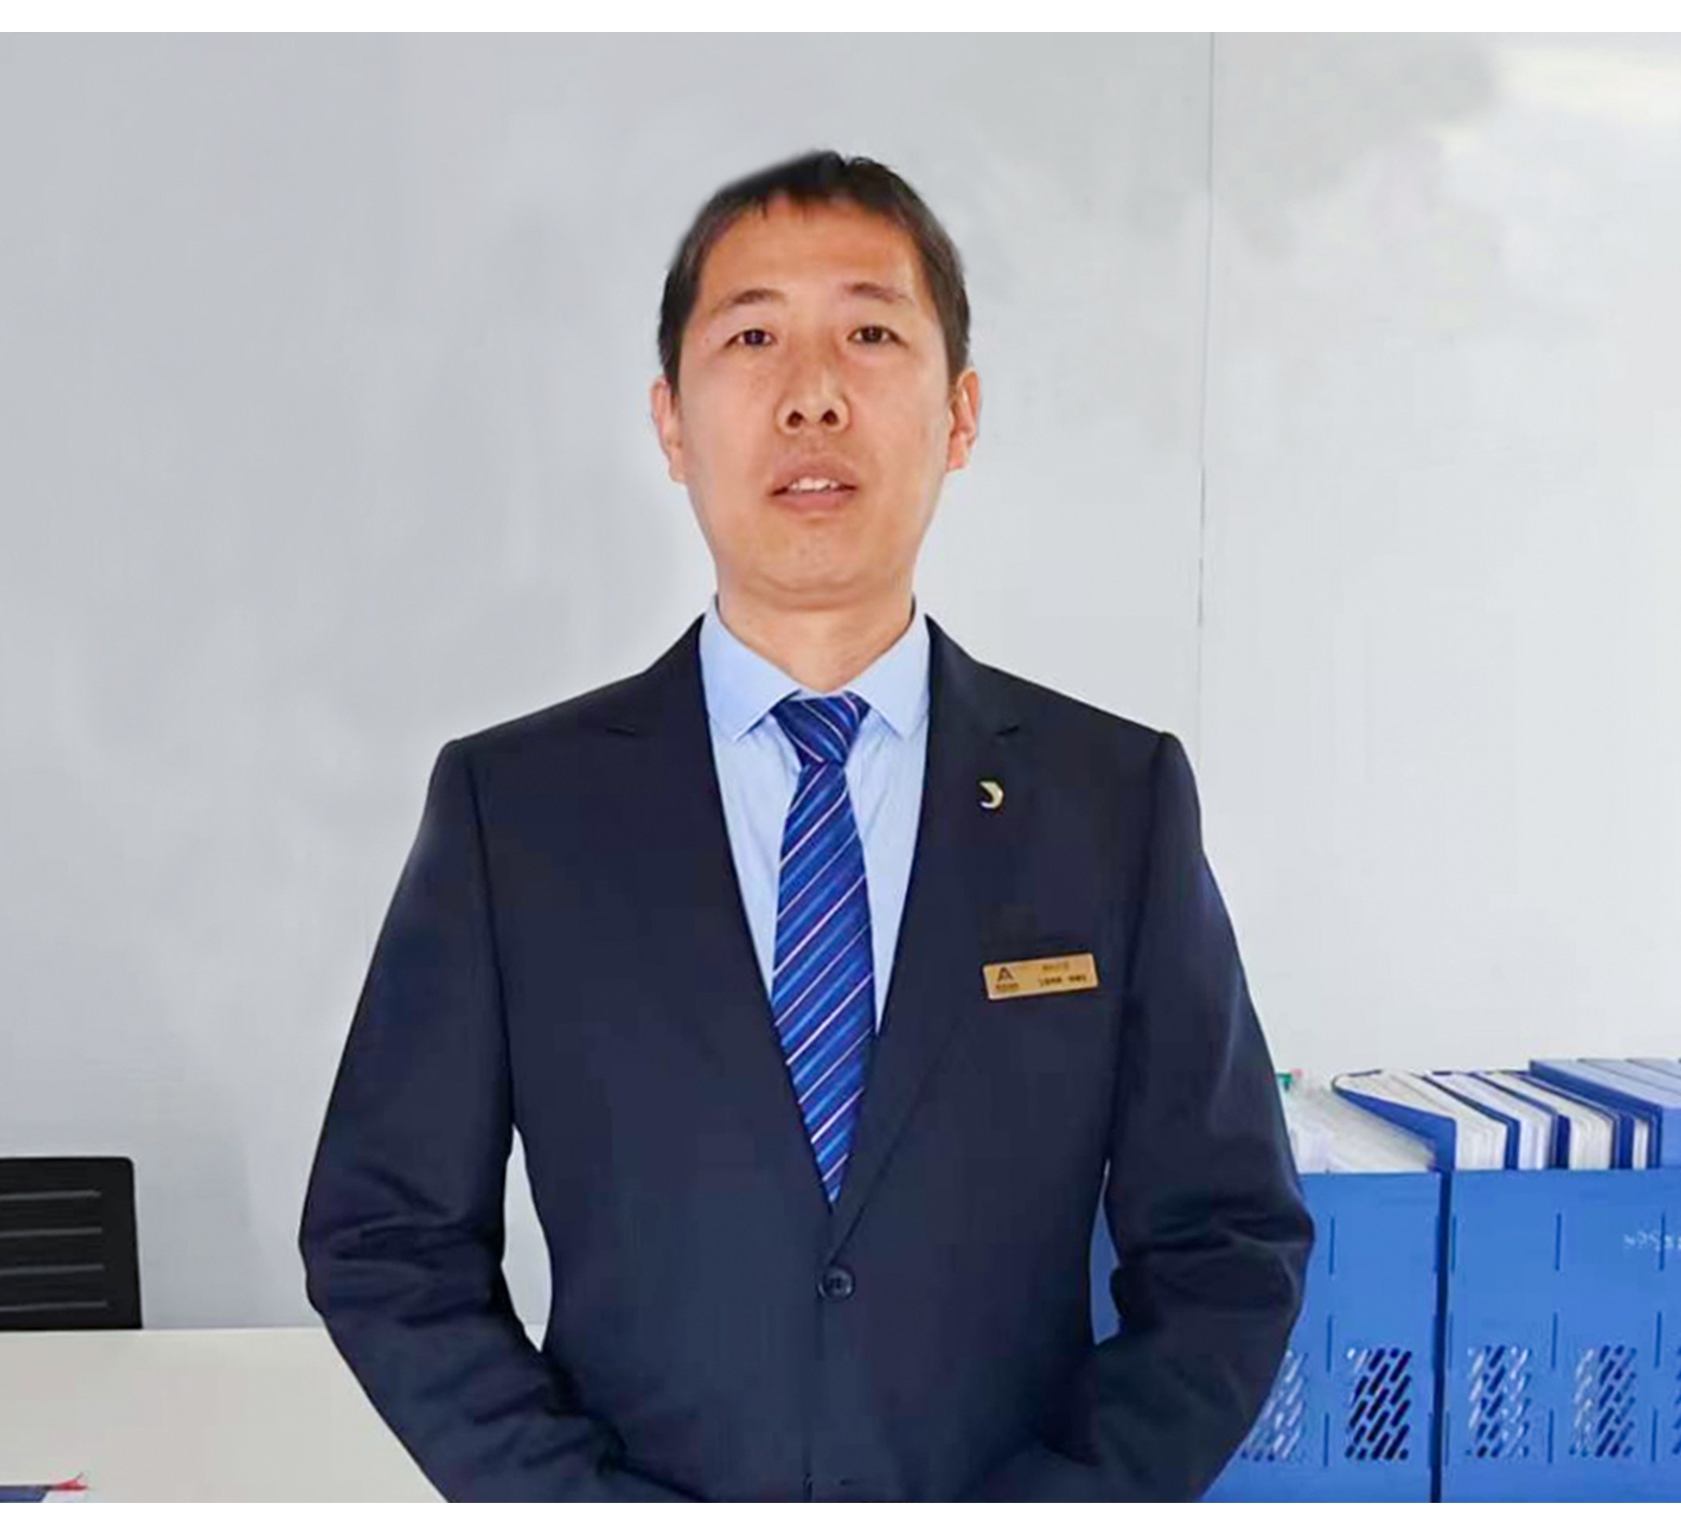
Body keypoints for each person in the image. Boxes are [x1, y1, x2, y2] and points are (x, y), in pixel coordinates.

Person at [294, 151, 1312, 1501]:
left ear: (959, 414)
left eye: (871, 335)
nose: (814, 392)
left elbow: (1227, 1244)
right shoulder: (514, 813)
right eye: (754, 337)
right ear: (671, 424)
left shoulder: (1112, 803)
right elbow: (386, 1238)